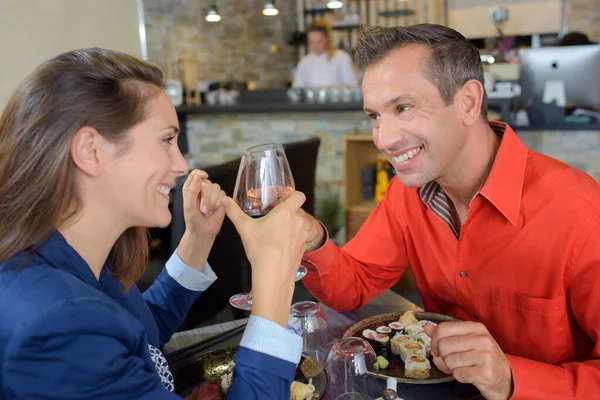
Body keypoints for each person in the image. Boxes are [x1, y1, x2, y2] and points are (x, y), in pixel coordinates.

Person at [298, 24, 600, 399]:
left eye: (403, 108)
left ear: (469, 103)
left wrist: (510, 379)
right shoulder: (407, 194)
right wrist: (312, 240)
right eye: (375, 116)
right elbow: (352, 285)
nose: (384, 139)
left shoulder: (583, 214)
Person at [0, 48, 308, 399]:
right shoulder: (56, 323)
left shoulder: (78, 255)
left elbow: (142, 334)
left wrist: (197, 241)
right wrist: (273, 281)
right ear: (90, 150)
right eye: (167, 140)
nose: (181, 164)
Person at [292, 20, 358, 89]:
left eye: (319, 42)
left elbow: (352, 86)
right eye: (312, 42)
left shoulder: (342, 58)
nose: (315, 46)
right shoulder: (304, 62)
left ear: (327, 38)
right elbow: (297, 89)